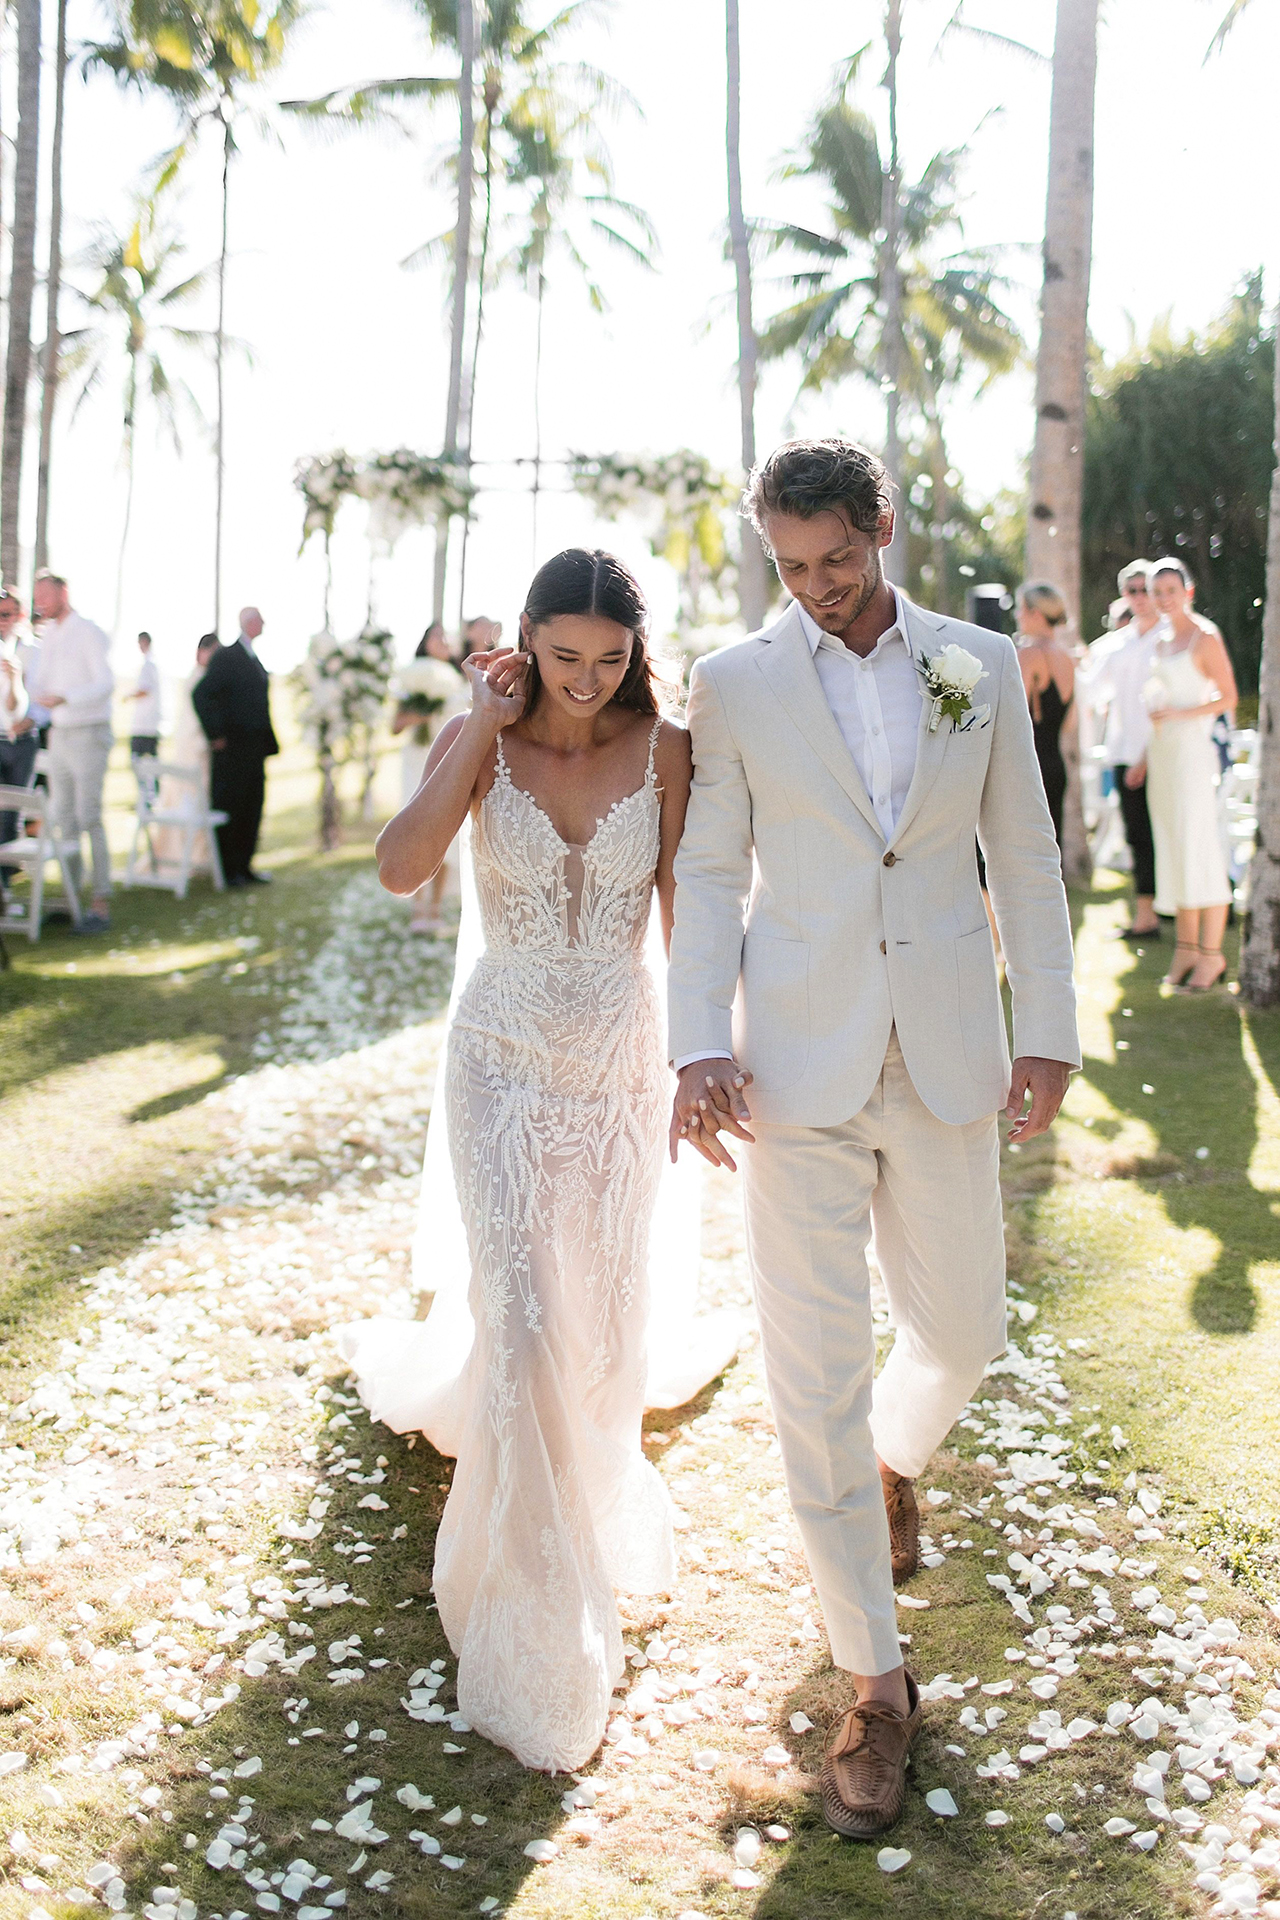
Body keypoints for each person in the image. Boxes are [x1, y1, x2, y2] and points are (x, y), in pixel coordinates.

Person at [667, 437, 1079, 1840]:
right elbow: (714, 868)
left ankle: (899, 1460)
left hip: (952, 1046)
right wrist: (699, 1041)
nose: (821, 589)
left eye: (838, 561)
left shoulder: (972, 660)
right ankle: (877, 1683)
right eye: (792, 568)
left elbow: (1022, 853)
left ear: (882, 529)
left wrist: (1050, 1027)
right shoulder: (735, 685)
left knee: (963, 1333)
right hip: (794, 1061)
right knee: (813, 1381)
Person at [345, 548, 711, 1775]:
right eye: (563, 658)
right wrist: (470, 730)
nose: (585, 682)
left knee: (601, 1326)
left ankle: (590, 1503)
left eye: (608, 662)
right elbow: (400, 865)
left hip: (617, 1061)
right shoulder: (488, 740)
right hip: (496, 1055)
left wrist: (703, 1061)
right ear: (526, 644)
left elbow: (680, 919)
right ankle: (532, 1603)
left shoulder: (663, 751)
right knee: (521, 1318)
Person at [1144, 558, 1238, 990]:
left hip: (1193, 756)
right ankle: (1185, 949)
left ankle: (1212, 954)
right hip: (1163, 754)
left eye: (1170, 590)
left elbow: (1226, 696)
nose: (1164, 599)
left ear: (1188, 591)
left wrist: (1181, 713)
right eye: (1156, 591)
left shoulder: (1205, 636)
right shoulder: (1160, 639)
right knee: (1172, 846)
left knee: (1199, 848)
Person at [1078, 562, 1163, 939]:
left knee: (1173, 832)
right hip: (1124, 751)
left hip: (1165, 752)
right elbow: (1090, 692)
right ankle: (1147, 915)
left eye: (1146, 589)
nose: (1140, 597)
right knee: (1138, 835)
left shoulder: (1172, 637)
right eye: (1132, 590)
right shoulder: (1116, 645)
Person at [29, 571, 115, 933]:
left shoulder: (88, 631)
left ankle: (101, 902)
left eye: (45, 596)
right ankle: (70, 898)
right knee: (63, 817)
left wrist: (68, 698)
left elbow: (105, 683)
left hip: (89, 732)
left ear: (63, 592)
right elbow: (39, 682)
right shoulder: (48, 635)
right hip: (59, 733)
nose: (40, 604)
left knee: (89, 815)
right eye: (37, 599)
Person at [389, 622, 468, 934]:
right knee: (415, 831)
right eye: (437, 636)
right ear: (425, 642)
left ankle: (435, 908)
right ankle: (416, 905)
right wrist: (423, 708)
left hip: (447, 762)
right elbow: (394, 727)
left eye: (446, 637)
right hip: (416, 761)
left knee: (446, 835)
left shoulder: (459, 682)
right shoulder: (410, 681)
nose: (443, 641)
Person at [192, 606, 279, 888]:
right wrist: (215, 733)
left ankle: (246, 865)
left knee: (253, 805)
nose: (264, 623)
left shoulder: (254, 658)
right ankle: (230, 870)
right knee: (232, 805)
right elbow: (201, 694)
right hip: (232, 750)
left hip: (254, 747)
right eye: (260, 618)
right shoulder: (227, 656)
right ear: (249, 622)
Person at [1013, 581, 1075, 848]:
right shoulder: (1067, 656)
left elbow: (1013, 715)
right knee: (1047, 856)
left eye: (1020, 609)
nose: (1017, 616)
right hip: (1055, 764)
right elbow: (1070, 724)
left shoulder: (1029, 654)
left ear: (1035, 614)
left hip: (1028, 766)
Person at [0, 598, 32, 905]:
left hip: (21, 741)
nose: (2, 619)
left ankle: (6, 887)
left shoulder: (31, 650)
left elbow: (17, 707)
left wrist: (14, 678)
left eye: (7, 614)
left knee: (12, 815)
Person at [127, 631, 162, 758]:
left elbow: (144, 690)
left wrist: (129, 696)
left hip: (145, 725)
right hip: (150, 723)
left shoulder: (148, 665)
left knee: (140, 762)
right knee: (150, 762)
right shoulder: (153, 663)